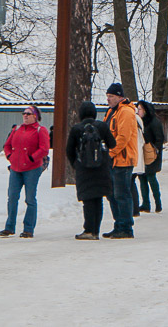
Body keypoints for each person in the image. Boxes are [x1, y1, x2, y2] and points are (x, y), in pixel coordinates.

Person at [65, 101, 116, 239]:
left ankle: (88, 230)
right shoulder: (102, 126)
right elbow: (113, 143)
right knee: (98, 199)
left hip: (84, 169)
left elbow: (69, 149)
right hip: (101, 168)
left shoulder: (77, 128)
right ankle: (95, 231)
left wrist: (76, 164)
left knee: (88, 200)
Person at [0, 104, 50, 238]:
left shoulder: (40, 130)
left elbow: (44, 149)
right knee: (12, 197)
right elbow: (7, 145)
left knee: (30, 199)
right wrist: (10, 156)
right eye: (24, 113)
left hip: (32, 169)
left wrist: (32, 158)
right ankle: (9, 227)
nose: (25, 116)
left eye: (28, 113)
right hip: (16, 168)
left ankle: (28, 228)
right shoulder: (17, 129)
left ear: (35, 116)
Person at [103, 82, 139, 238]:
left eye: (111, 96)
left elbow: (122, 137)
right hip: (113, 159)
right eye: (107, 96)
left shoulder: (125, 112)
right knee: (112, 194)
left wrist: (111, 153)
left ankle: (125, 226)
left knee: (122, 194)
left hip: (122, 160)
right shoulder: (112, 111)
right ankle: (118, 224)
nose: (108, 99)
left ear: (119, 97)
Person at [136, 100, 164, 213]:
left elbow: (159, 138)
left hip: (152, 154)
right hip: (142, 153)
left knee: (151, 178)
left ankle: (158, 203)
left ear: (146, 110)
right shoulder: (141, 122)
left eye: (140, 109)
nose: (138, 111)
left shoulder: (154, 122)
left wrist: (155, 150)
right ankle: (146, 203)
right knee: (142, 178)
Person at [131, 109, 145, 217]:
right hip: (138, 155)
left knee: (130, 183)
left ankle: (134, 208)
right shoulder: (139, 120)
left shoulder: (132, 119)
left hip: (132, 156)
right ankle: (135, 208)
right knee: (132, 183)